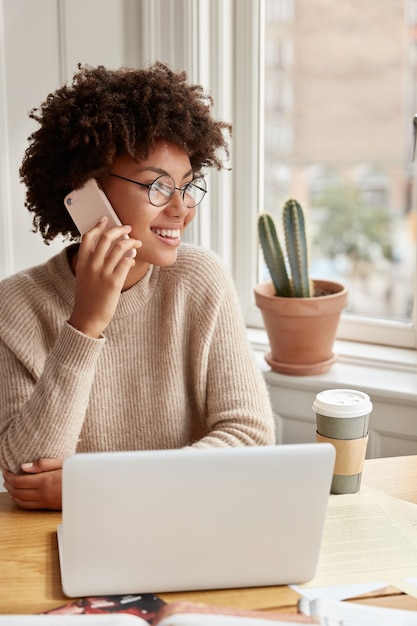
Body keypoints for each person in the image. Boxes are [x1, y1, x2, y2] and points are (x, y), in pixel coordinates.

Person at [0, 62, 275, 511]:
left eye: (187, 187)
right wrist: (86, 324)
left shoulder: (199, 279)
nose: (181, 209)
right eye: (156, 188)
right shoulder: (15, 306)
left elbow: (250, 438)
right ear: (86, 192)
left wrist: (99, 487)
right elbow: (27, 473)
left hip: (185, 522)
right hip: (64, 543)